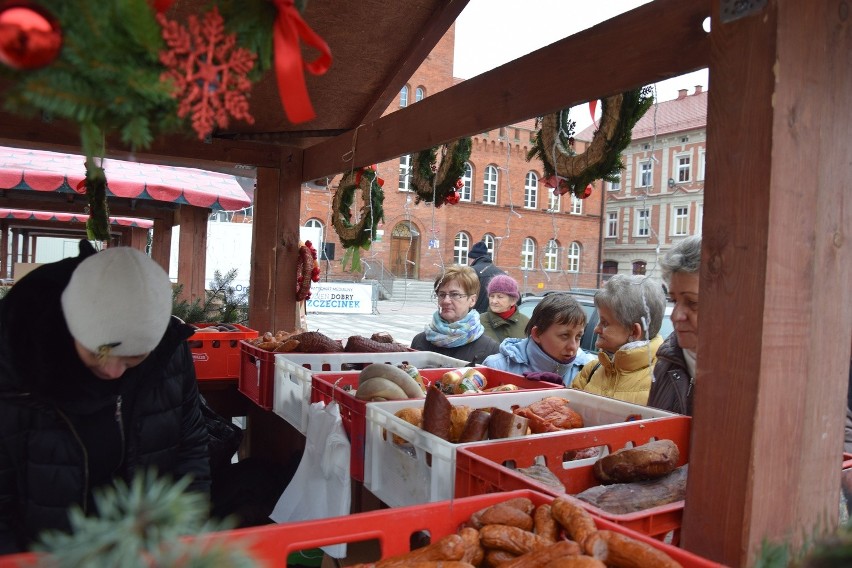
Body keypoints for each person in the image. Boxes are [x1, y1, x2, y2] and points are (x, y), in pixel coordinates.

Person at [0, 241, 211, 553]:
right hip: (42, 551)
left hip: (143, 548)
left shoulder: (169, 355)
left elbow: (190, 447)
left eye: (132, 359)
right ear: (73, 329)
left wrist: (183, 532)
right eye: (99, 353)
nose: (114, 372)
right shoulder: (15, 361)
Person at [572, 274, 666, 404]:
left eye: (605, 323)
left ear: (634, 331)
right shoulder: (591, 370)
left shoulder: (664, 380)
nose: (596, 329)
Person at [483, 292, 596, 387]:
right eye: (564, 336)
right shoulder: (498, 367)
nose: (573, 346)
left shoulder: (589, 371)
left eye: (578, 337)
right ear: (537, 334)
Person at [647, 236, 701, 415]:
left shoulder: (750, 375)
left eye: (693, 302)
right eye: (674, 300)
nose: (676, 316)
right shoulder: (666, 361)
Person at [410, 264, 499, 365]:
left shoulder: (489, 349)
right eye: (442, 294)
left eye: (455, 294)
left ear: (472, 300)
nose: (446, 301)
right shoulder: (420, 341)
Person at [480, 274, 529, 343]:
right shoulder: (478, 322)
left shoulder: (526, 323)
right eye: (491, 296)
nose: (494, 301)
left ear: (513, 300)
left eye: (500, 297)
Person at [468, 241, 506, 315]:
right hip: (498, 319)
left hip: (474, 319)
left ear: (472, 258)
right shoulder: (502, 274)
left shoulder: (471, 272)